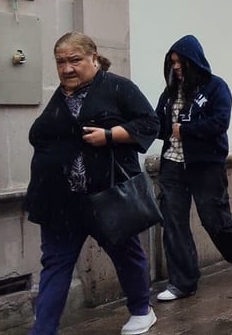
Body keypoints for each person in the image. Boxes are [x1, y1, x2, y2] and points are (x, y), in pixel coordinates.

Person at [25, 32, 160, 335]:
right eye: (61, 62)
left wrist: (110, 136)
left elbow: (151, 123)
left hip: (107, 196)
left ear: (94, 59)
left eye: (75, 60)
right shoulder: (61, 96)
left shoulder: (117, 87)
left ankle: (141, 309)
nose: (67, 68)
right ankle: (43, 330)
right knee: (56, 265)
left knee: (126, 254)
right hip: (62, 201)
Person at [154, 35, 232, 303]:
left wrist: (186, 130)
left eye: (179, 62)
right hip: (172, 165)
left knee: (213, 217)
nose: (175, 67)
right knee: (173, 224)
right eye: (172, 62)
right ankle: (182, 283)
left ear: (192, 61)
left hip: (206, 165)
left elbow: (220, 122)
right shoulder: (169, 92)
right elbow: (159, 123)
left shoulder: (216, 88)